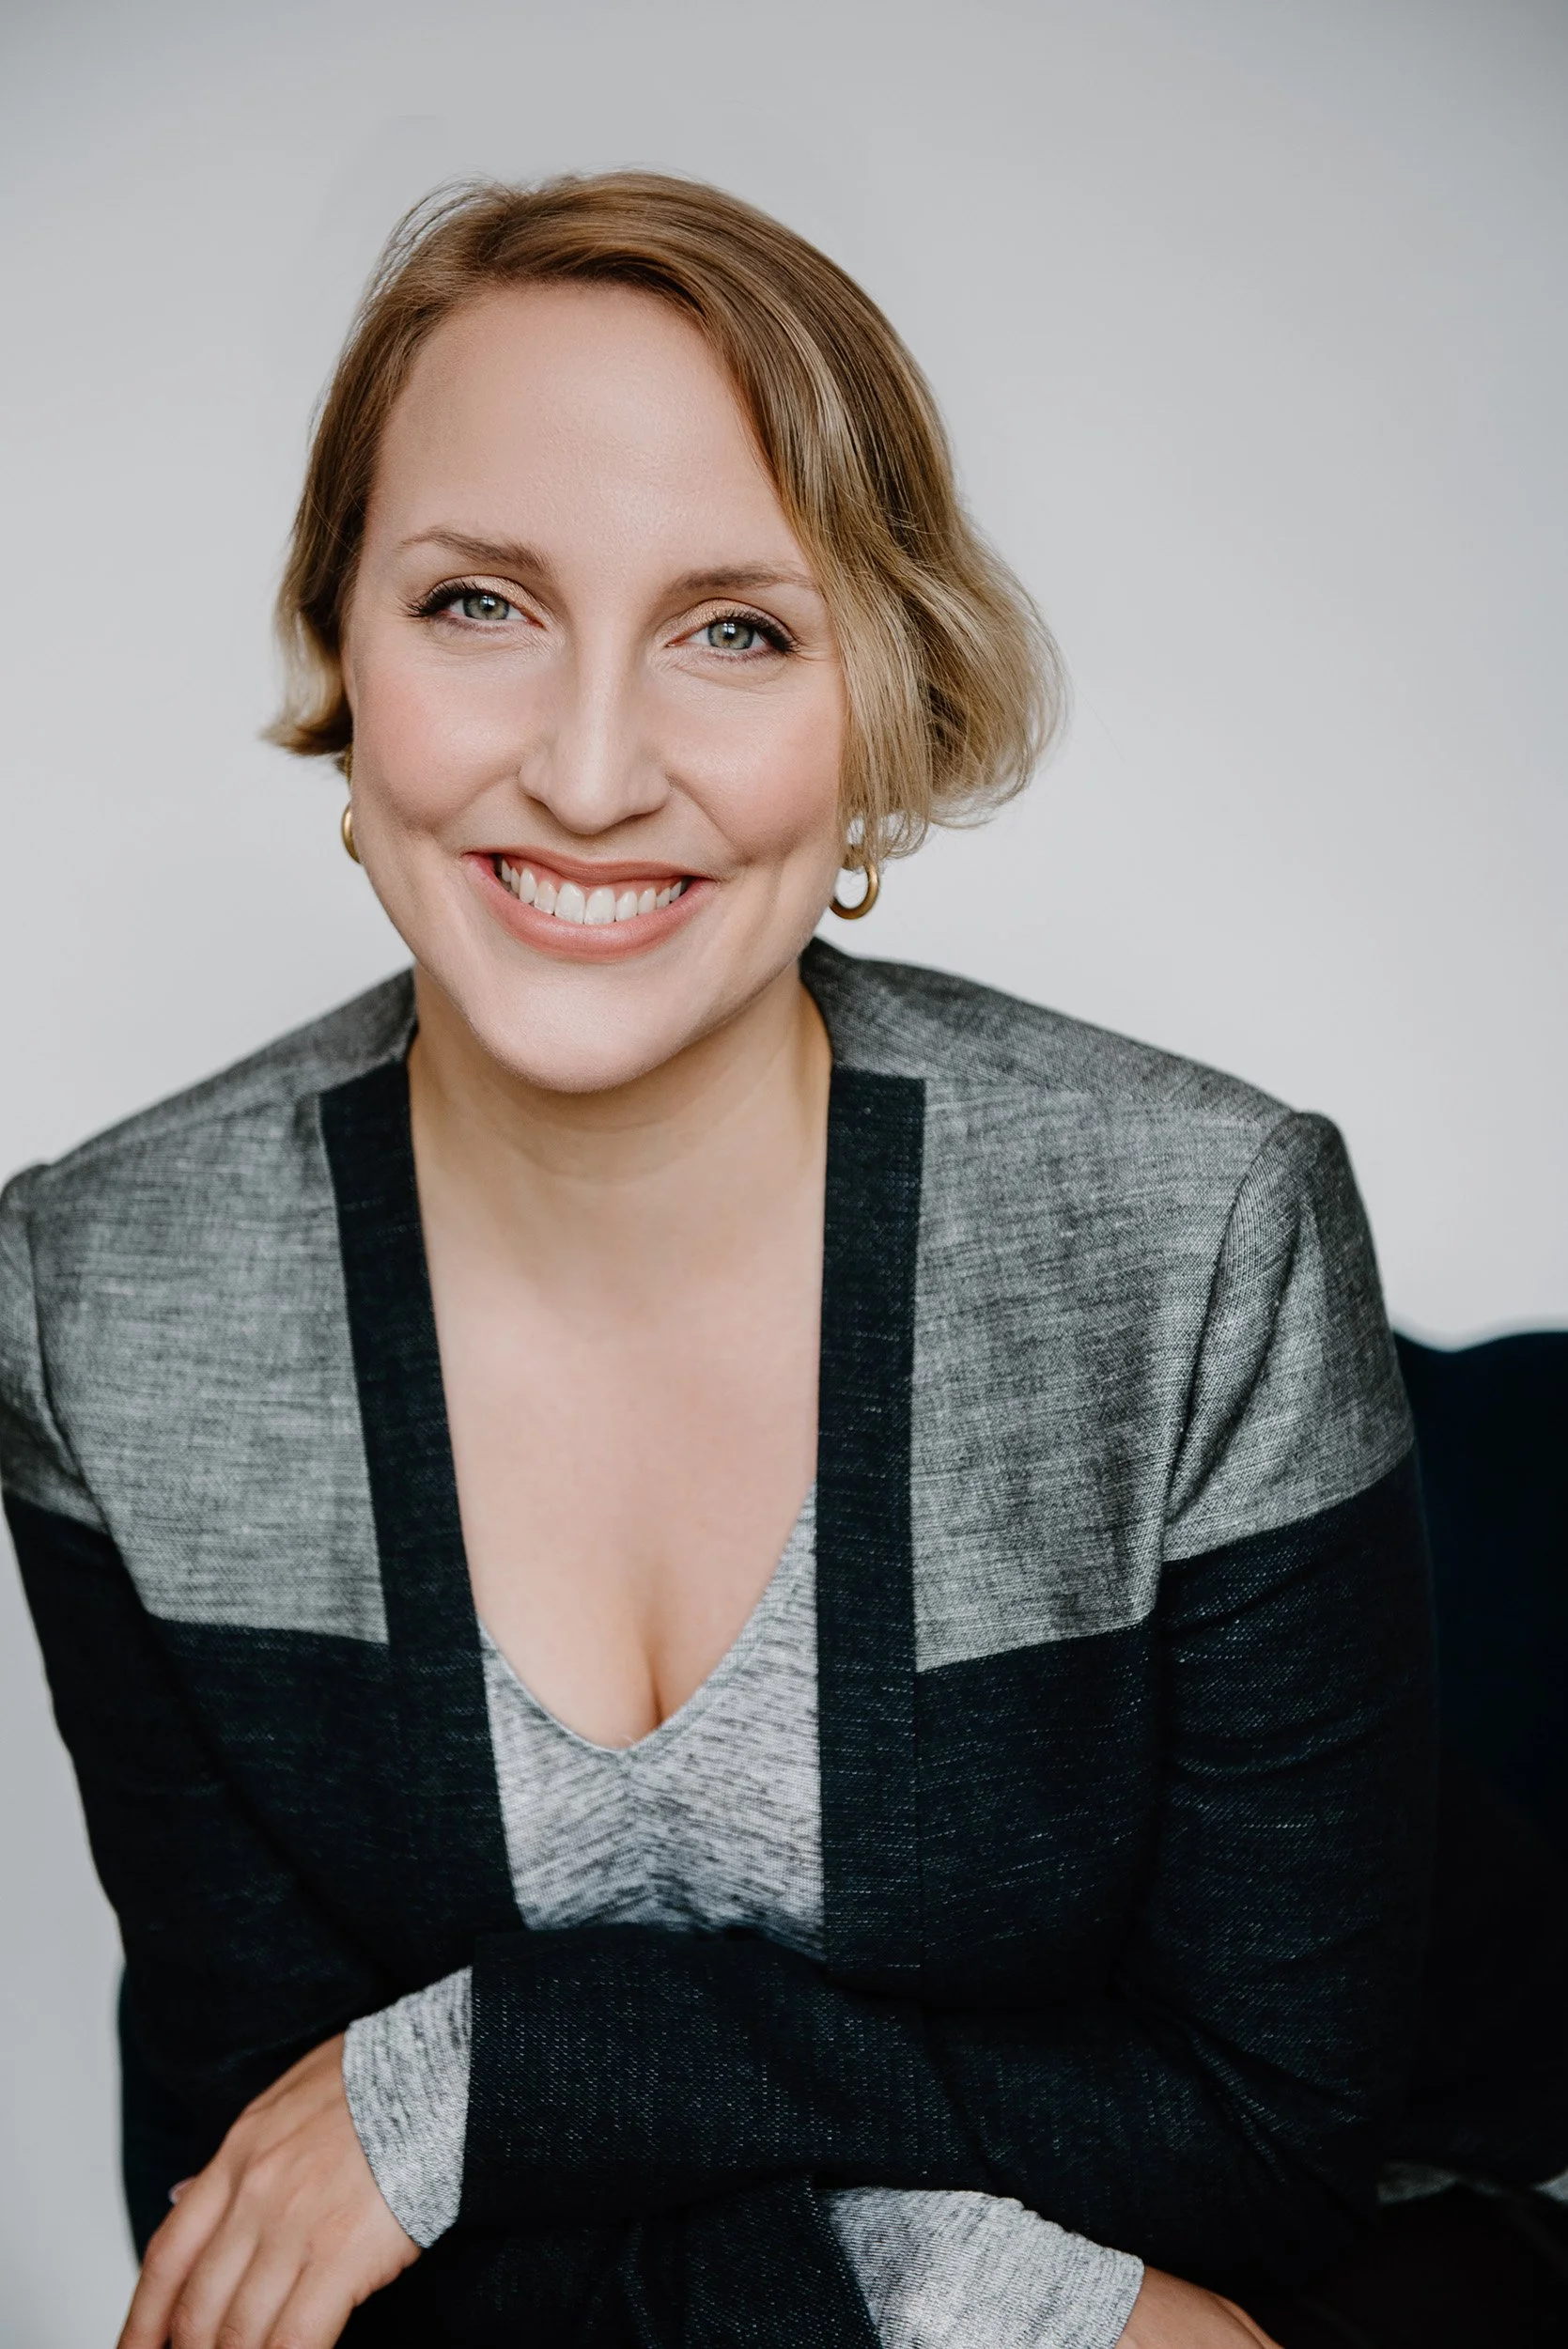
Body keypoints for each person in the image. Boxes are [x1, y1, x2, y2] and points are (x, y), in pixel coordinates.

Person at [0, 174, 1436, 2349]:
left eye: (737, 627)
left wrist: (498, 2067)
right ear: (340, 652)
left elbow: (1271, 2142)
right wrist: (980, 2286)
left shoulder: (1203, 1234)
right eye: (478, 602)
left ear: (884, 701)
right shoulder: (97, 1300)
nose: (585, 770)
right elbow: (262, 2214)